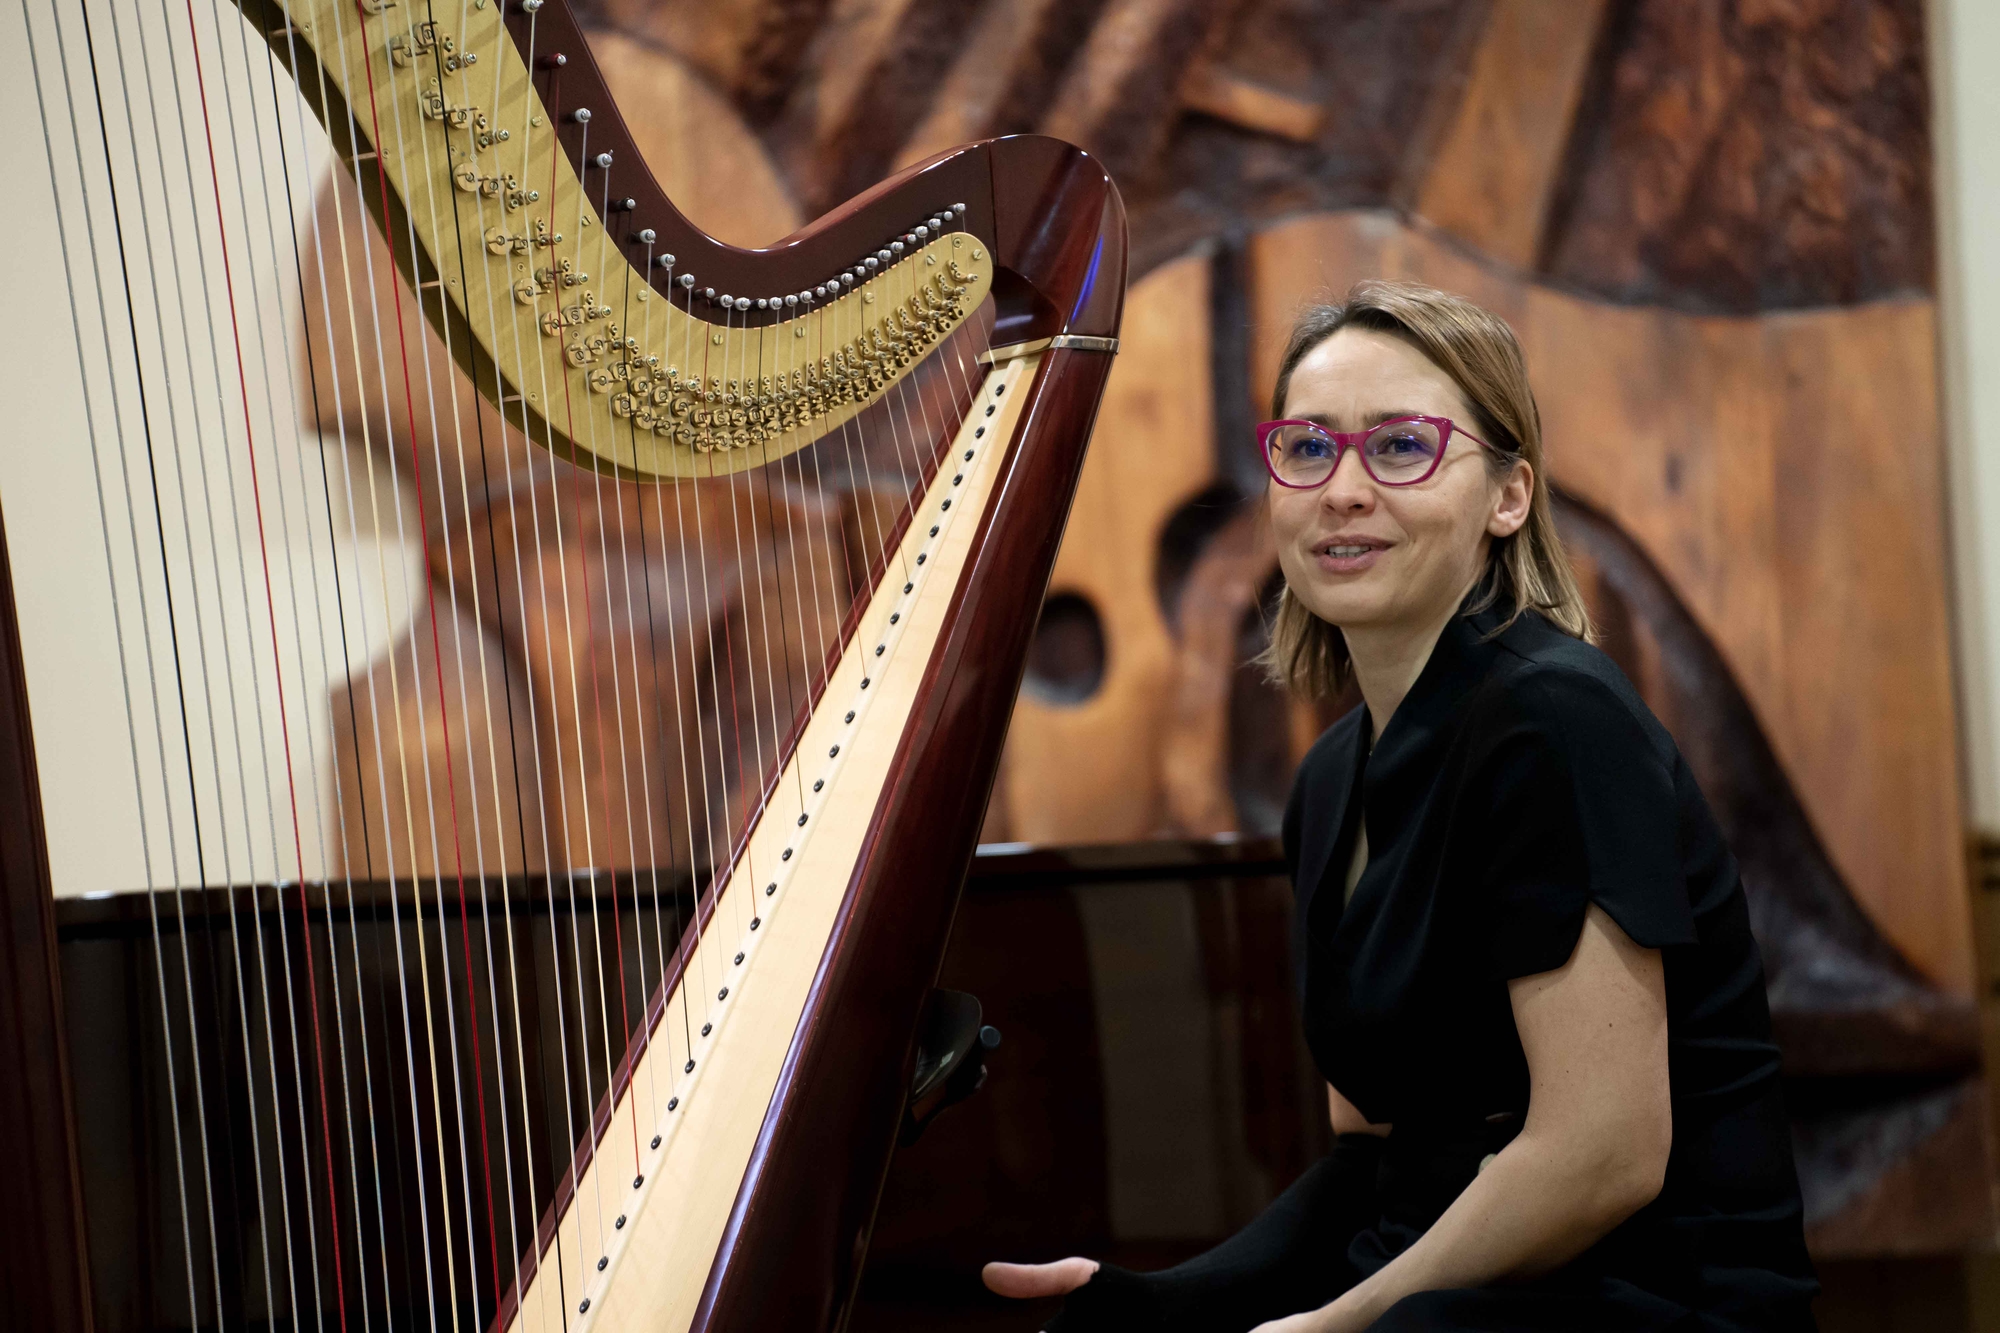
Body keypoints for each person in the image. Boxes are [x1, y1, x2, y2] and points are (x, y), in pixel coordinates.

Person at [983, 280, 1819, 1331]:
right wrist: (1153, 1305)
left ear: (1507, 496)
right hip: (1448, 1303)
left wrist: (1334, 1325)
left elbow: (1602, 1155)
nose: (1342, 490)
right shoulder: (1330, 781)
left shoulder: (1556, 720)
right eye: (1307, 448)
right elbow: (1373, 1163)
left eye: (1400, 447)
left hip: (1657, 1300)